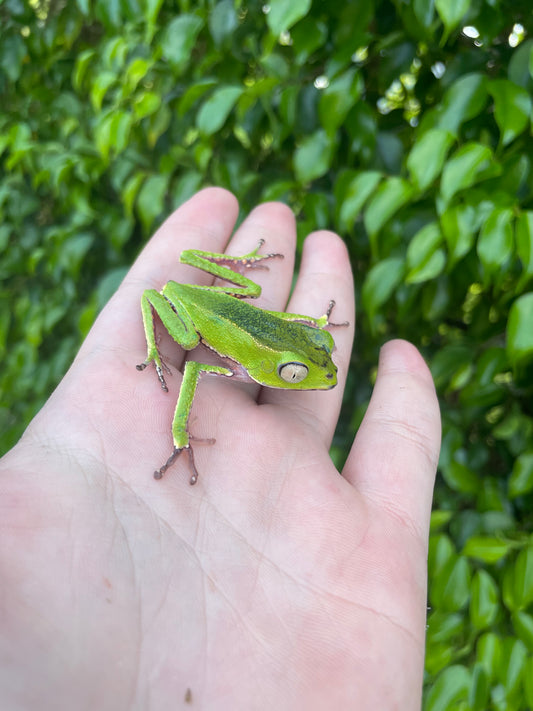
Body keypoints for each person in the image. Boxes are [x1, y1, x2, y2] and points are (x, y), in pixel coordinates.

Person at [0, 188, 441, 710]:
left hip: (234, 310)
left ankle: (237, 274)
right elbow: (192, 367)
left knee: (259, 308)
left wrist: (316, 332)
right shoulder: (232, 363)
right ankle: (174, 334)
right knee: (170, 306)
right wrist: (179, 429)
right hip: (195, 315)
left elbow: (294, 329)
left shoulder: (284, 335)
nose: (317, 377)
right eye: (296, 374)